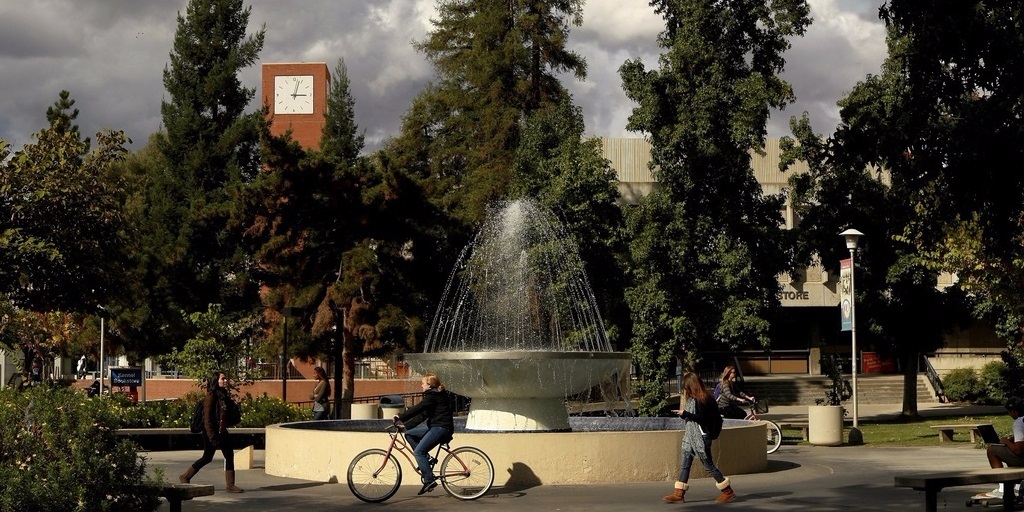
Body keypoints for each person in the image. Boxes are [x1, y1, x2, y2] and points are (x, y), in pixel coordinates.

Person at [664, 372, 736, 504]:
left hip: (700, 438)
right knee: (685, 465)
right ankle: (679, 494)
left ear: (691, 386)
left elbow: (702, 418)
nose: (686, 390)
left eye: (686, 387)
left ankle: (728, 492)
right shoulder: (698, 398)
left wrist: (685, 413)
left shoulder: (703, 399)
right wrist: (685, 415)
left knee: (709, 465)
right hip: (690, 438)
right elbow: (696, 417)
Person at [179, 371, 244, 493]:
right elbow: (207, 419)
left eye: (226, 379)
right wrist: (211, 436)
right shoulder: (211, 396)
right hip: (211, 432)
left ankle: (230, 485)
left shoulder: (223, 395)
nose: (225, 381)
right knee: (207, 457)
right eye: (223, 379)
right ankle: (185, 476)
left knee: (229, 455)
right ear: (216, 381)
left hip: (221, 431)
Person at [394, 373, 455, 495]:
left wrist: (401, 416)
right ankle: (427, 459)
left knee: (418, 452)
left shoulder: (433, 396)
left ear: (429, 385)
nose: (421, 386)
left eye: (423, 383)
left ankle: (429, 480)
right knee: (409, 434)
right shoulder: (434, 396)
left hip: (441, 428)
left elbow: (418, 408)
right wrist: (406, 425)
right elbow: (424, 415)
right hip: (436, 427)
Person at [977, 397, 1024, 499]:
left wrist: (1006, 441)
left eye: (1009, 412)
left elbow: (1018, 450)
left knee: (992, 450)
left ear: (1014, 411)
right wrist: (1012, 439)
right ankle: (1016, 485)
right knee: (1005, 451)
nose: (1009, 414)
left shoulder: (1019, 423)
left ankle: (1003, 487)